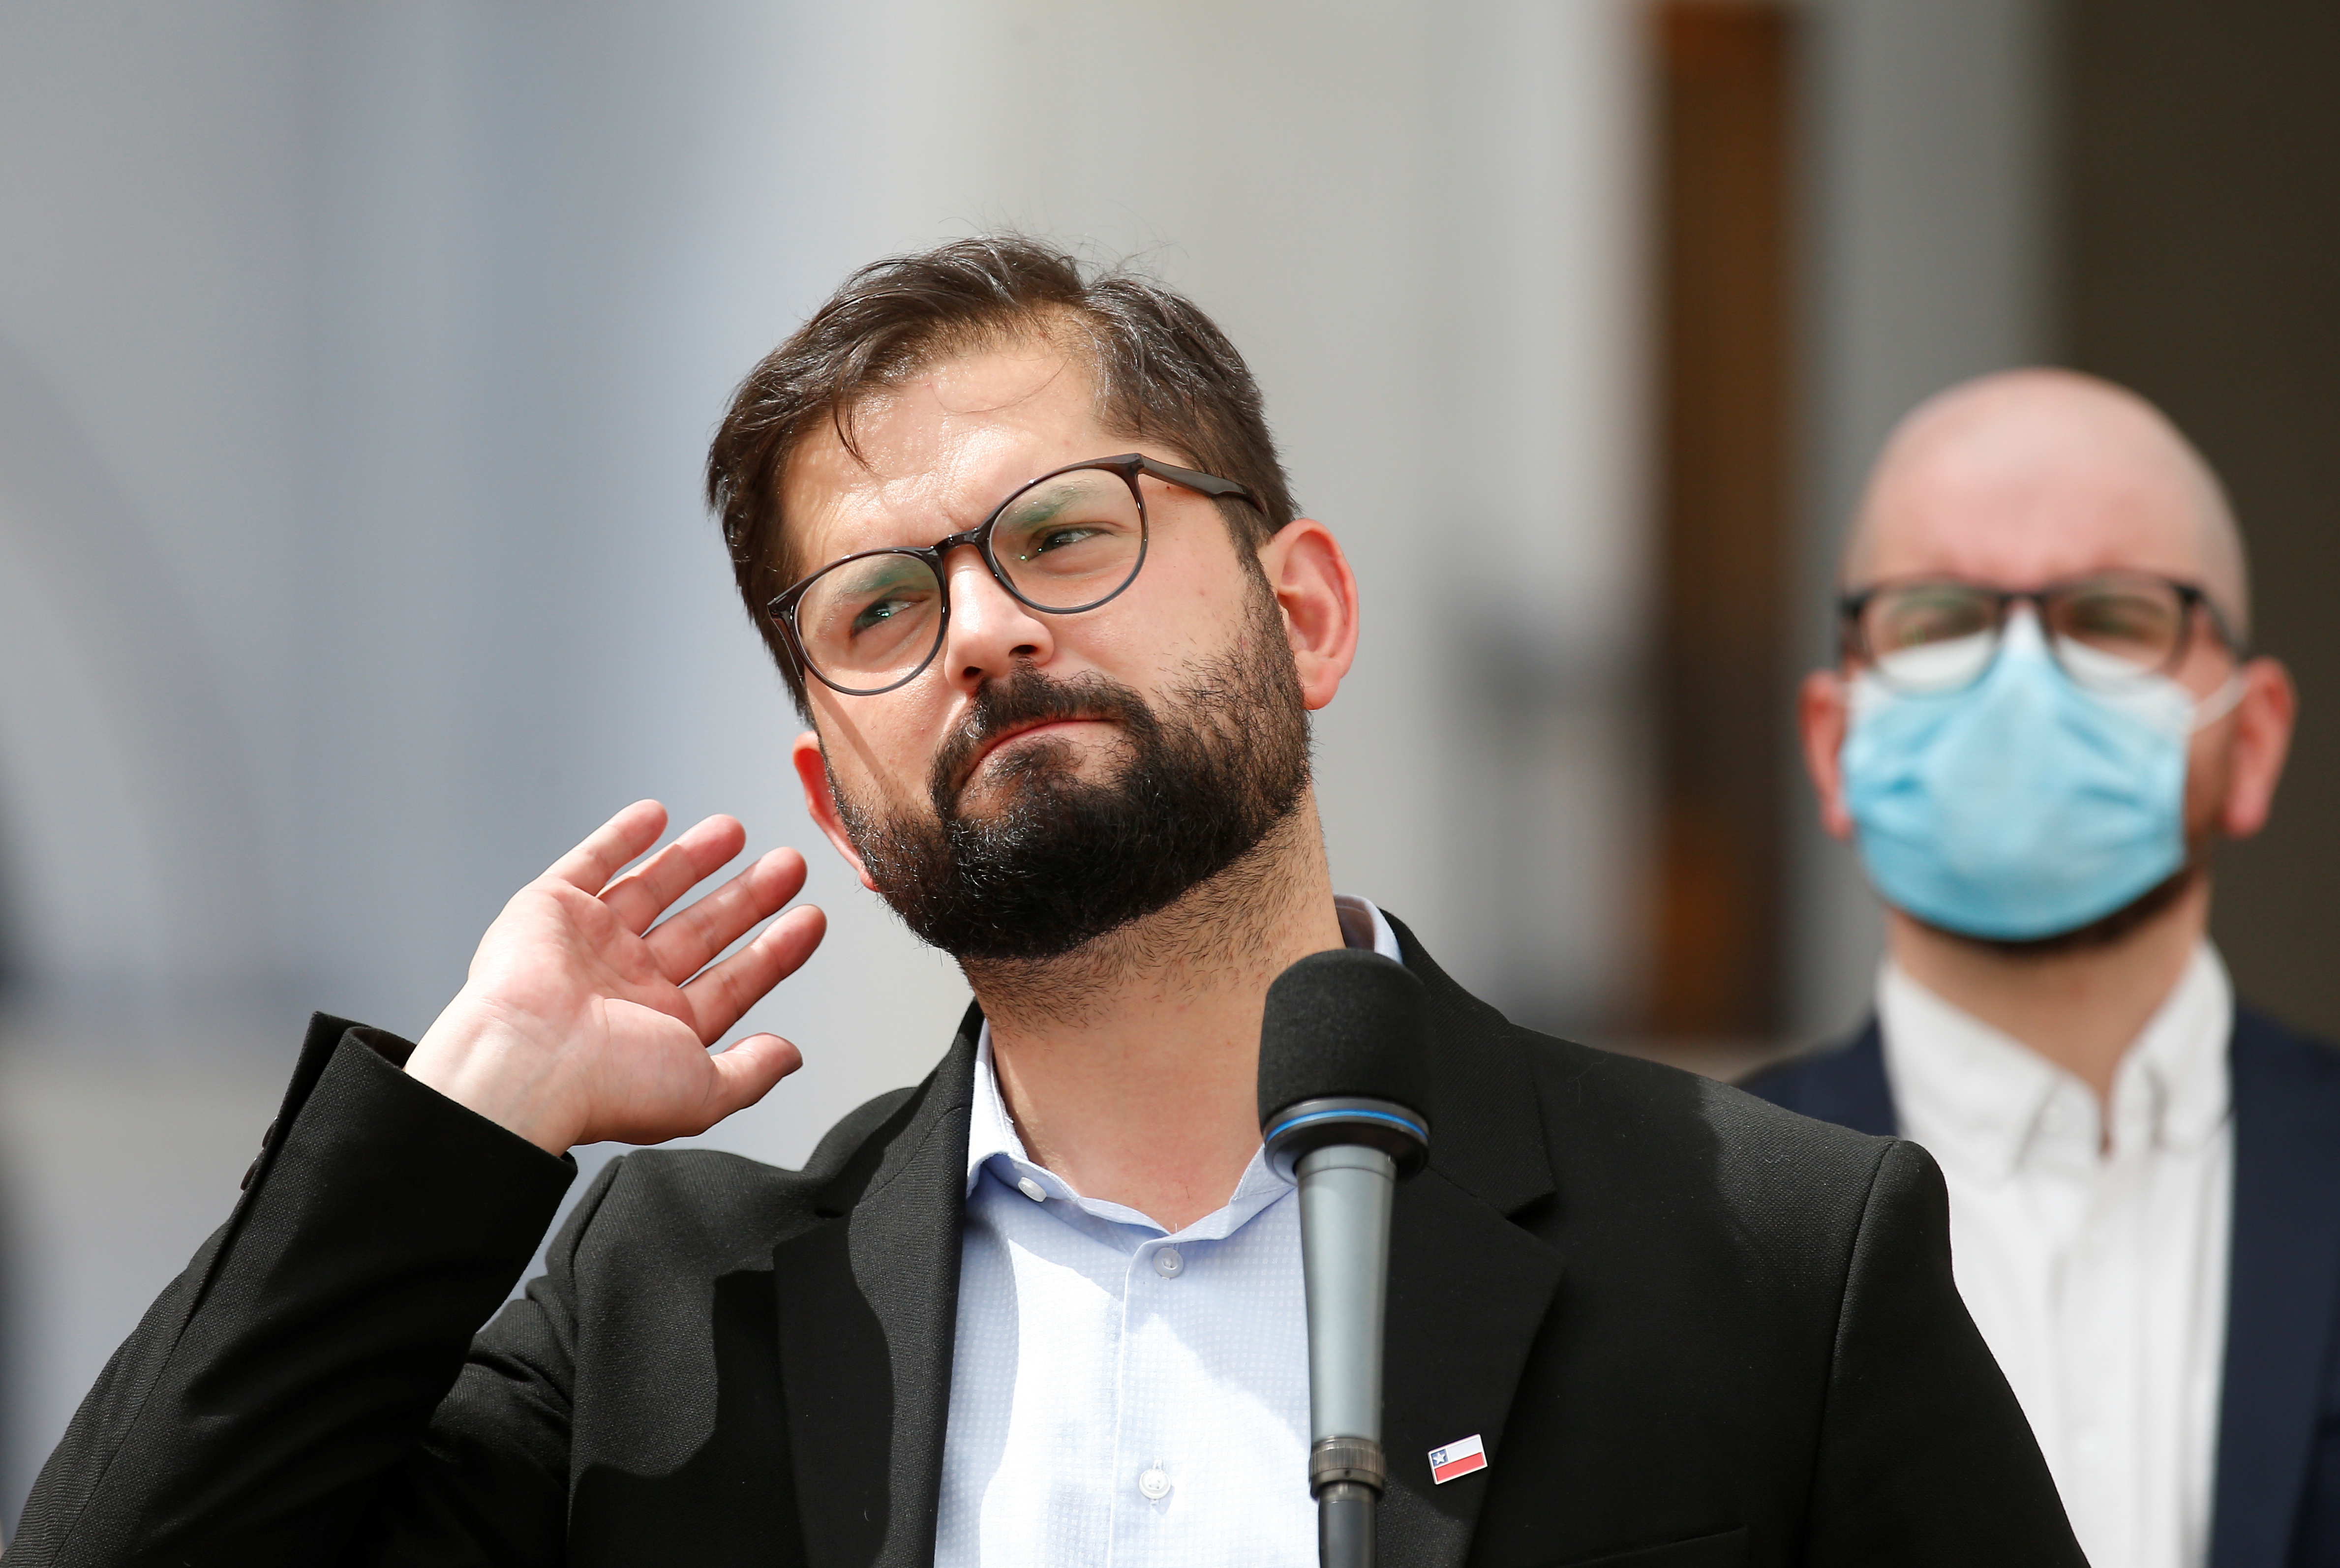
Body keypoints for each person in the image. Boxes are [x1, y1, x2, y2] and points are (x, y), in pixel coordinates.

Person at [16, 240, 2081, 1567]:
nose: (985, 628)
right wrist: (468, 1111)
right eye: (883, 606)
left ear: (1304, 608)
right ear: (836, 795)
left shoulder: (1771, 1249)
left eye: (1065, 532)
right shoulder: (673, 1326)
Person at [1745, 368, 2337, 1568]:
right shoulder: (1686, 1218)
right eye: (1939, 618)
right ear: (1833, 742)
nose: (2021, 677)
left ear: (2256, 736)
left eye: (2112, 618)